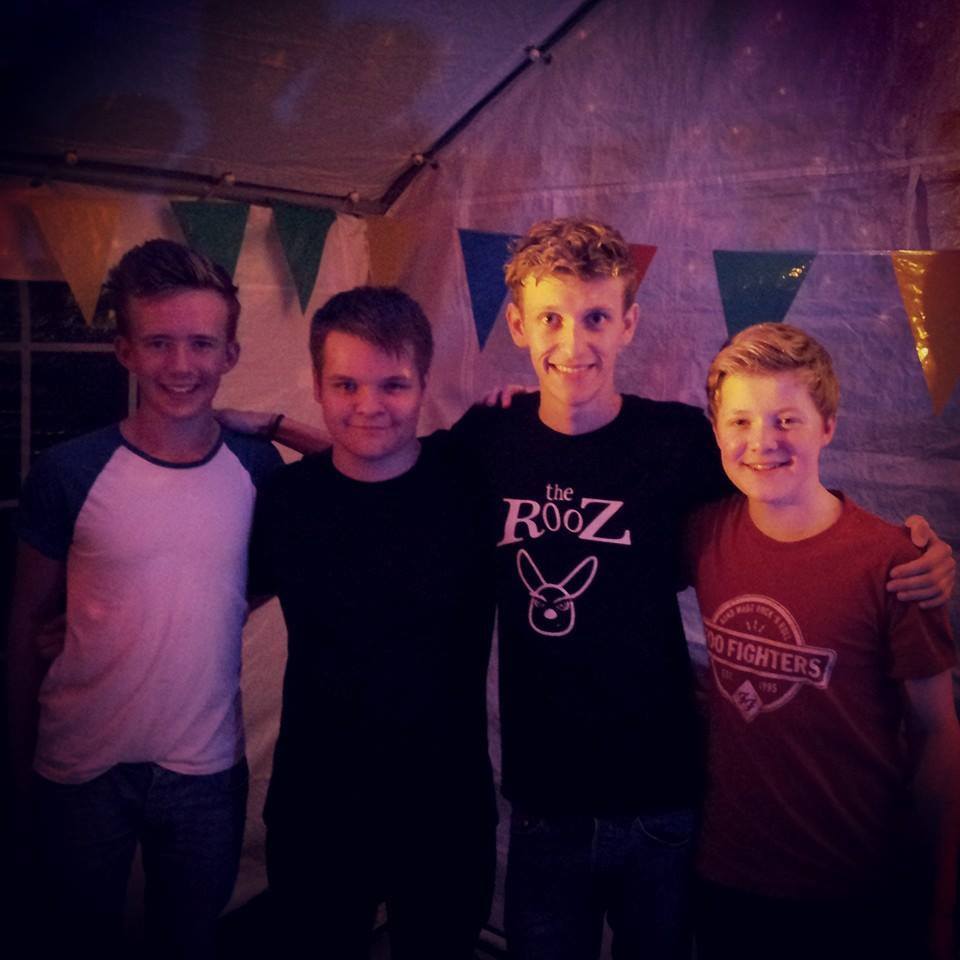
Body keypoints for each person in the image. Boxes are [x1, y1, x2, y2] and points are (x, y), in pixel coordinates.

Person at [219, 216, 955, 960]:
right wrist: (276, 426)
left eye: (596, 317)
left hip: (663, 795)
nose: (573, 342)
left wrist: (909, 547)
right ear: (517, 324)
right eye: (550, 318)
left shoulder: (680, 442)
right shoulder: (488, 439)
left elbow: (782, 491)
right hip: (546, 801)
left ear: (628, 323)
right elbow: (381, 456)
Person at [6, 239, 282, 959]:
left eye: (201, 344)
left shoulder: (258, 467)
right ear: (125, 351)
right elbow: (24, 623)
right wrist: (14, 763)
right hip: (79, 762)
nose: (181, 365)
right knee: (72, 939)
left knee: (188, 940)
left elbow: (268, 573)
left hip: (206, 765)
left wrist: (283, 428)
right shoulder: (69, 471)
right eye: (159, 343)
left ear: (231, 353)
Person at [686, 322, 959, 960]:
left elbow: (939, 734)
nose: (762, 442)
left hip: (854, 888)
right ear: (716, 430)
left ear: (827, 426)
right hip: (727, 875)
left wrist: (938, 900)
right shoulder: (701, 533)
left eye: (787, 420)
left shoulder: (896, 563)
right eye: (741, 421)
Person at [248, 286, 496, 960]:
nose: (369, 405)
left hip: (445, 804)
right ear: (317, 386)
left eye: (393, 384)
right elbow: (219, 599)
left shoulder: (472, 482)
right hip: (317, 803)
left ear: (424, 384)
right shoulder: (287, 500)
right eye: (346, 384)